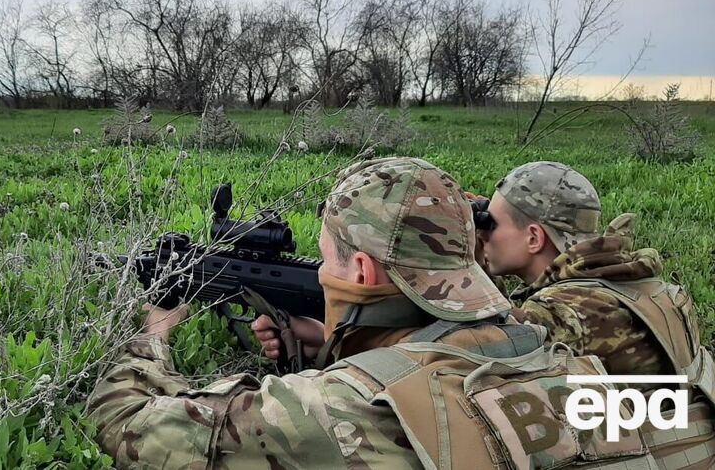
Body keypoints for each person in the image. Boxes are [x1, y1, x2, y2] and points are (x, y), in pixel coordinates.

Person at [86, 157, 653, 469]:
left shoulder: (339, 409)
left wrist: (156, 332)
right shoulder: (562, 358)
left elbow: (124, 421)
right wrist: (327, 341)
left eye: (326, 254)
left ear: (360, 272)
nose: (321, 269)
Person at [479, 161, 715, 470]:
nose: (482, 235)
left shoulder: (557, 314)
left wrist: (463, 259)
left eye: (490, 224)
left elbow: (466, 352)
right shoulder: (643, 286)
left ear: (534, 238)